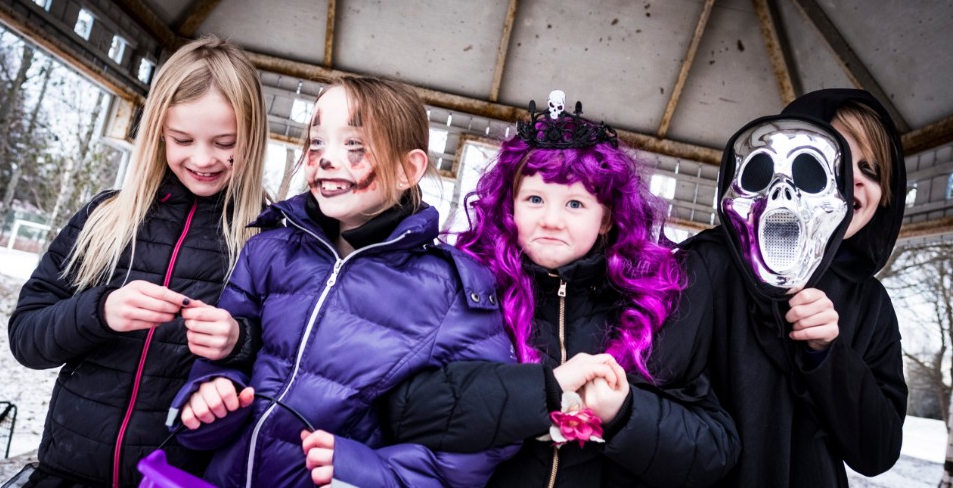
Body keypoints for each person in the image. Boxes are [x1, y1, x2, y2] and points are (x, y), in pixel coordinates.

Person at [170, 75, 517, 488]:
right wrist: (210, 399)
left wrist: (370, 474)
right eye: (317, 142)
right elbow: (220, 366)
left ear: (409, 169)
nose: (328, 159)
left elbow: (478, 440)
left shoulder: (451, 290)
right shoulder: (269, 251)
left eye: (354, 145)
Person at [383, 92, 741, 486]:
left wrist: (624, 412)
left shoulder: (653, 308)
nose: (552, 220)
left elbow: (715, 452)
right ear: (511, 206)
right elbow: (404, 411)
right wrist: (545, 390)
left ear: (606, 218)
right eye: (535, 198)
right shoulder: (464, 290)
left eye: (575, 204)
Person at [7, 35, 269, 488]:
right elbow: (26, 338)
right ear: (158, 133)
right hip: (65, 473)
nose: (203, 158)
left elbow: (289, 365)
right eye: (182, 139)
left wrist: (239, 340)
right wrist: (100, 311)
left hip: (175, 479)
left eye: (225, 142)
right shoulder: (105, 217)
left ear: (253, 138)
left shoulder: (269, 240)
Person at [680, 88, 907, 486]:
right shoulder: (709, 262)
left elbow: (878, 451)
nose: (853, 178)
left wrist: (828, 356)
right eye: (833, 157)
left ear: (885, 194)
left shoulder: (871, 304)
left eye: (871, 171)